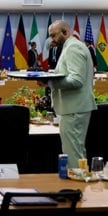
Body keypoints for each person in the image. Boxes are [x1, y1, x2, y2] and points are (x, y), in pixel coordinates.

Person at [38, 20, 97, 169]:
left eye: (54, 35)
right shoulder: (72, 47)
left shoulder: (73, 48)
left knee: (73, 157)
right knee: (78, 154)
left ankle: (76, 190)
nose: (52, 40)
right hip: (75, 109)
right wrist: (53, 75)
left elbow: (76, 80)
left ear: (65, 32)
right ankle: (81, 188)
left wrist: (49, 82)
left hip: (74, 110)